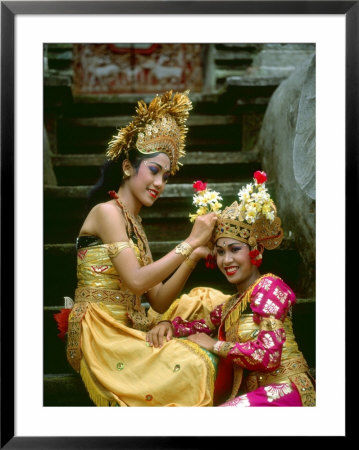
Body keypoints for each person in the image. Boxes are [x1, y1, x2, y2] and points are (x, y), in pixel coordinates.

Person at [54, 90, 229, 406]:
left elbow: (159, 301)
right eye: (154, 170)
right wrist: (189, 241)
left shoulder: (135, 224)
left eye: (166, 175)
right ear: (127, 168)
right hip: (101, 332)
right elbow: (135, 281)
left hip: (131, 323)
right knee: (192, 363)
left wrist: (193, 257)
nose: (160, 183)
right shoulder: (107, 212)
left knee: (208, 301)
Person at [147, 171, 316, 406]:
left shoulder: (269, 286)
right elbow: (197, 326)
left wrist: (215, 344)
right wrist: (167, 324)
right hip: (257, 397)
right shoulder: (230, 305)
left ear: (255, 250)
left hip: (288, 390)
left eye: (235, 249)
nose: (226, 260)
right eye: (220, 252)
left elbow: (268, 355)